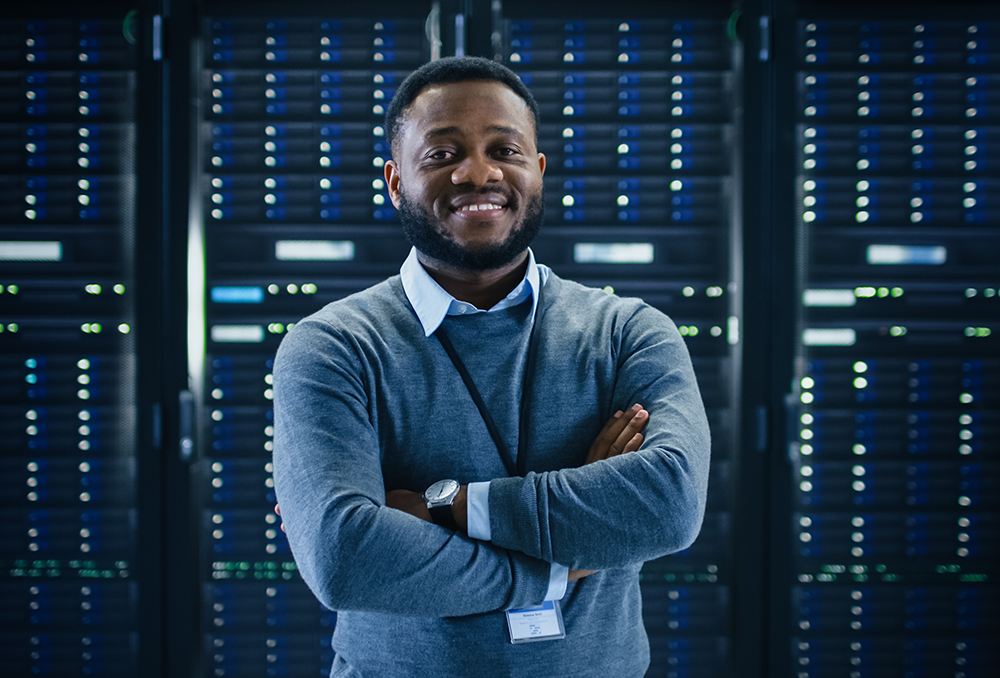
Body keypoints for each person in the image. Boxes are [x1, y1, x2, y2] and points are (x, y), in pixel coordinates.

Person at [272, 55, 711, 677]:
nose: (477, 173)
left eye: (503, 150)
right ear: (396, 182)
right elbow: (345, 557)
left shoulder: (628, 332)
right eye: (442, 155)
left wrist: (446, 507)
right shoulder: (332, 348)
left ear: (536, 171)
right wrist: (563, 563)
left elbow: (666, 504)